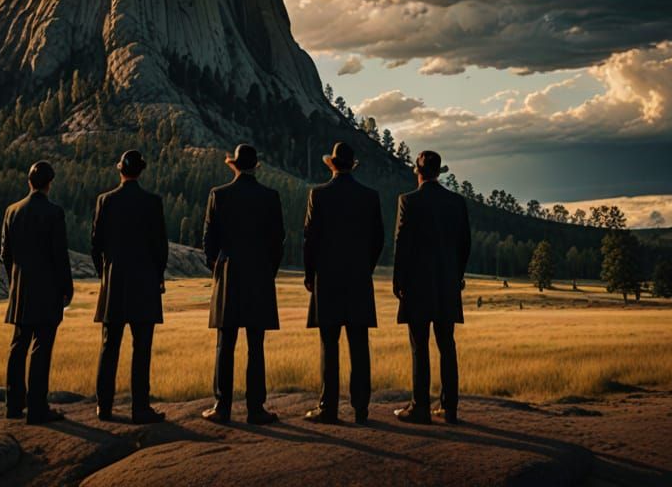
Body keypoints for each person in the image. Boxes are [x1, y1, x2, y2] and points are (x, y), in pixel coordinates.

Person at [202, 143, 285, 425]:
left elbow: (209, 240)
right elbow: (278, 242)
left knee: (225, 343)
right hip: (259, 275)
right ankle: (255, 409)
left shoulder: (219, 195)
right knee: (255, 344)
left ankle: (221, 407)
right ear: (255, 167)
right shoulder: (270, 197)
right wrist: (267, 271)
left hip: (228, 273)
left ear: (234, 165)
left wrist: (217, 267)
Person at [302, 141, 384, 425]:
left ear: (333, 165)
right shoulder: (370, 196)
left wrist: (310, 274)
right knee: (359, 345)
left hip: (328, 279)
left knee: (329, 343)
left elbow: (309, 239)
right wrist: (366, 268)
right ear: (353, 165)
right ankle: (361, 410)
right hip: (359, 278)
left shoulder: (319, 195)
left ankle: (328, 408)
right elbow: (378, 240)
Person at [392, 150, 471, 426]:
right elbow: (464, 245)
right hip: (447, 284)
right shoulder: (456, 202)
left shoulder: (408, 201)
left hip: (417, 285)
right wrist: (457, 276)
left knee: (419, 346)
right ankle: (449, 410)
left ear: (418, 171)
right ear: (439, 173)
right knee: (447, 345)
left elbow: (401, 244)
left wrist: (398, 281)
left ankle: (420, 407)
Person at [91, 149, 169, 424]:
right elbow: (161, 245)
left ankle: (104, 406)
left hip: (113, 283)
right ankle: (140, 408)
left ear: (120, 170)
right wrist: (158, 276)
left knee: (109, 345)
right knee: (142, 347)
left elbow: (95, 244)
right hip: (145, 283)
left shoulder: (105, 201)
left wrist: (105, 274)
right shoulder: (152, 202)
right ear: (141, 171)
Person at [1, 159, 74, 424]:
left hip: (20, 289)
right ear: (49, 184)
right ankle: (37, 408)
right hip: (47, 290)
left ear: (29, 182)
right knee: (41, 348)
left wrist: (15, 279)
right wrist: (67, 288)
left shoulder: (12, 211)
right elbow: (59, 255)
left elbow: (5, 253)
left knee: (18, 345)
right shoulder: (54, 212)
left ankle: (12, 404)